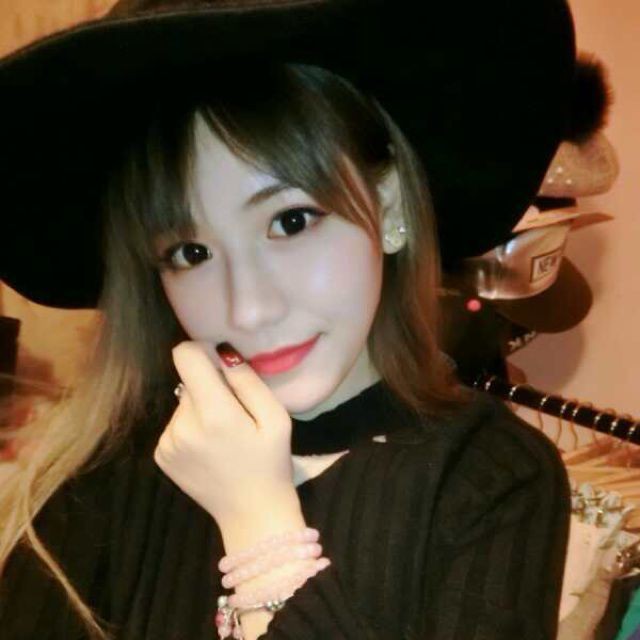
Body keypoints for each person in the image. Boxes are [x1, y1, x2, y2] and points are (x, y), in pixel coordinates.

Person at [0, 1, 577, 638]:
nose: (247, 309)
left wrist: (260, 529)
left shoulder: (494, 478)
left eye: (291, 221)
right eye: (190, 253)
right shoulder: (111, 463)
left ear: (389, 207)